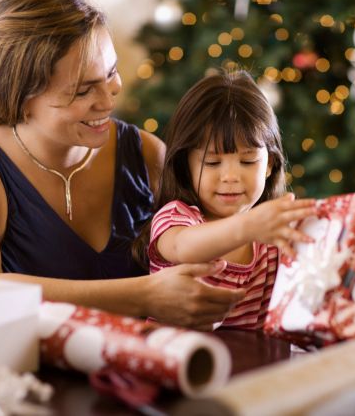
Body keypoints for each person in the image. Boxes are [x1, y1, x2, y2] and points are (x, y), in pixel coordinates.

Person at [0, 0, 244, 331]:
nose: (109, 97)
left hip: (146, 370)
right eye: (83, 92)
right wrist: (144, 295)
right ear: (21, 100)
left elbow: (218, 242)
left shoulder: (147, 154)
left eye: (110, 72)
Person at [133, 71, 316, 330]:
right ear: (186, 165)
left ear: (269, 165)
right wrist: (248, 226)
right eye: (213, 162)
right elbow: (182, 247)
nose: (230, 176)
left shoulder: (271, 239)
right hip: (176, 359)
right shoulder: (176, 217)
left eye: (248, 161)